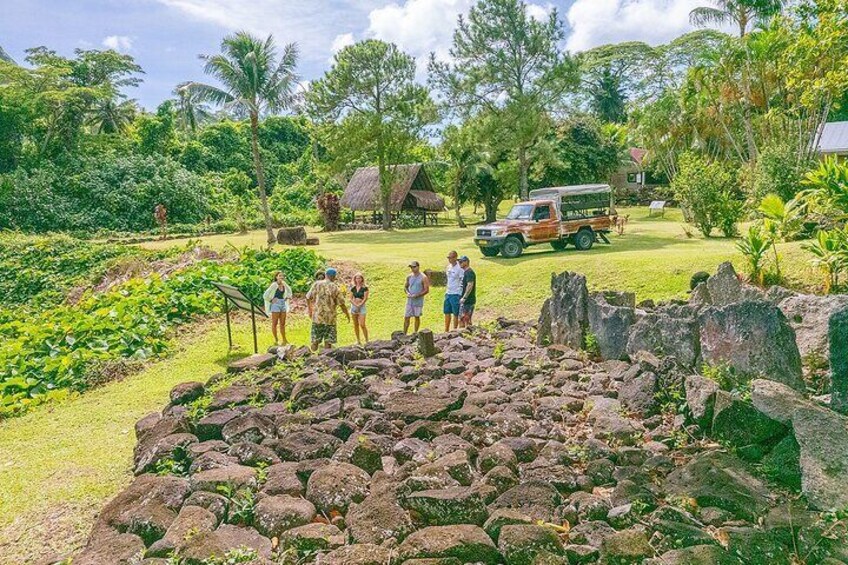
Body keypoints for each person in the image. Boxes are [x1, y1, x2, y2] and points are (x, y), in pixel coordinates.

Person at [306, 267, 350, 351]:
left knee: (315, 341)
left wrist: (310, 310)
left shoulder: (317, 284)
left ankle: (312, 358)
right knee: (328, 342)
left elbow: (308, 297)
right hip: (330, 319)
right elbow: (342, 304)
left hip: (317, 317)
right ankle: (326, 359)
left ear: (326, 275)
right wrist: (347, 314)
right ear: (334, 277)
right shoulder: (335, 287)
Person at [263, 271, 292, 346]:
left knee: (282, 323)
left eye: (282, 276)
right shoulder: (273, 285)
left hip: (282, 303)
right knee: (275, 323)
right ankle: (276, 339)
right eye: (280, 276)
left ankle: (284, 339)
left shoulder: (284, 284)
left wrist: (287, 297)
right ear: (276, 277)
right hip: (275, 304)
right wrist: (271, 300)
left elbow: (289, 291)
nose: (281, 277)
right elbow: (265, 295)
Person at [404, 261, 429, 334]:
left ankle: (415, 332)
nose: (412, 269)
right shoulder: (409, 276)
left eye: (414, 267)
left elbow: (426, 290)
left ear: (418, 267)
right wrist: (408, 293)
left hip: (418, 301)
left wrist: (417, 295)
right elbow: (405, 287)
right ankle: (404, 333)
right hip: (409, 301)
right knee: (406, 317)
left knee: (417, 316)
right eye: (411, 267)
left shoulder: (423, 277)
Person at [443, 250, 464, 332]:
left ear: (455, 258)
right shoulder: (448, 267)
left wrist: (460, 293)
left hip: (456, 293)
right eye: (448, 258)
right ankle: (446, 330)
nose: (449, 259)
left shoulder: (459, 268)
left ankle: (454, 330)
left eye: (451, 258)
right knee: (446, 312)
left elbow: (462, 280)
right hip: (448, 293)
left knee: (455, 313)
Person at [349, 273, 370, 344]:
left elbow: (365, 298)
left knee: (362, 324)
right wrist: (355, 305)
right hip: (354, 307)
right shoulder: (353, 288)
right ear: (355, 279)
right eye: (356, 278)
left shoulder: (365, 288)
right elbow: (350, 298)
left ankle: (367, 340)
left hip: (362, 307)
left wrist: (360, 305)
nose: (358, 280)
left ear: (362, 279)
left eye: (359, 278)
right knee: (355, 324)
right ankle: (358, 340)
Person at [458, 255, 477, 328]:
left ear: (466, 262)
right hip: (465, 300)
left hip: (468, 301)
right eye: (459, 262)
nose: (459, 263)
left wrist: (464, 297)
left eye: (461, 261)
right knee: (462, 320)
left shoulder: (469, 272)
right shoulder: (466, 272)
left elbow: (470, 285)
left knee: (466, 320)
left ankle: (468, 336)